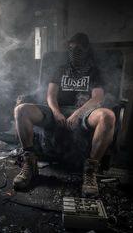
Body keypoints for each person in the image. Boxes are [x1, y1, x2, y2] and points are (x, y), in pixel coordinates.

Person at [13, 33, 115, 197]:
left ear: (87, 49)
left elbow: (97, 98)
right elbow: (51, 96)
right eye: (71, 48)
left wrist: (78, 113)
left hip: (84, 112)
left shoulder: (94, 71)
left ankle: (89, 172)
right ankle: (30, 166)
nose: (74, 52)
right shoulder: (61, 70)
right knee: (21, 110)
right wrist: (56, 112)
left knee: (108, 116)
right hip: (57, 110)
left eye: (79, 49)